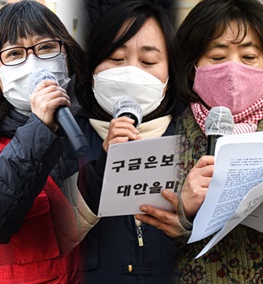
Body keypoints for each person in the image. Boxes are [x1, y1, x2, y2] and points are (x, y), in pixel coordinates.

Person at [156, 0, 263, 282]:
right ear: (193, 66)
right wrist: (184, 213)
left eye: (249, 57)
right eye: (217, 57)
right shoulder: (169, 130)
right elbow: (136, 242)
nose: (233, 70)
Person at [75, 1, 182, 282]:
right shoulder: (66, 137)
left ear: (169, 76)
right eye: (115, 58)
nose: (132, 72)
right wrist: (103, 167)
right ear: (92, 72)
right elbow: (53, 230)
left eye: (148, 62)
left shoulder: (192, 136)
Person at [0, 0, 87, 282]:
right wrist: (39, 126)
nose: (33, 62)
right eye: (14, 53)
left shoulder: (90, 124)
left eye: (45, 48)